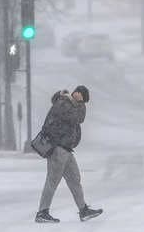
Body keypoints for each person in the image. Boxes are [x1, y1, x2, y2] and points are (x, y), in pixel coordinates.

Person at [35, 85, 103, 223]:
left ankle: (83, 210)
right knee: (52, 180)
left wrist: (79, 103)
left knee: (74, 179)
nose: (82, 102)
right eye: (82, 98)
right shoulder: (63, 103)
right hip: (58, 148)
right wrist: (80, 104)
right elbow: (78, 118)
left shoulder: (70, 104)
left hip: (66, 149)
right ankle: (42, 213)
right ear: (77, 93)